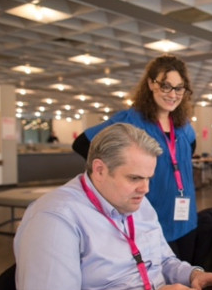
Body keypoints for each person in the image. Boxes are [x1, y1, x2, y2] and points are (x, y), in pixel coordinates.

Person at [15, 123, 212, 290]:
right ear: (100, 170)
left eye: (148, 178)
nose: (145, 189)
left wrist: (192, 275)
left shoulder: (138, 202)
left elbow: (163, 260)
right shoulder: (54, 218)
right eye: (134, 178)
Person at [72, 55, 197, 261]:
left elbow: (188, 152)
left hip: (185, 218)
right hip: (149, 218)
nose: (172, 94)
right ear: (151, 84)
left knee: (186, 272)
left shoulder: (184, 126)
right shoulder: (130, 121)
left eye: (179, 88)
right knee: (160, 276)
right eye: (165, 86)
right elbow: (82, 143)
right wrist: (112, 170)